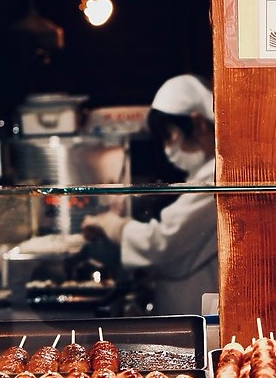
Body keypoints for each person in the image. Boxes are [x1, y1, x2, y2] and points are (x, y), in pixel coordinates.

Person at [81, 74, 217, 316]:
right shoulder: (203, 173)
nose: (168, 148)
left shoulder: (216, 176)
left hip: (200, 310)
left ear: (197, 123)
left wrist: (113, 225)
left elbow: (163, 244)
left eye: (171, 135)